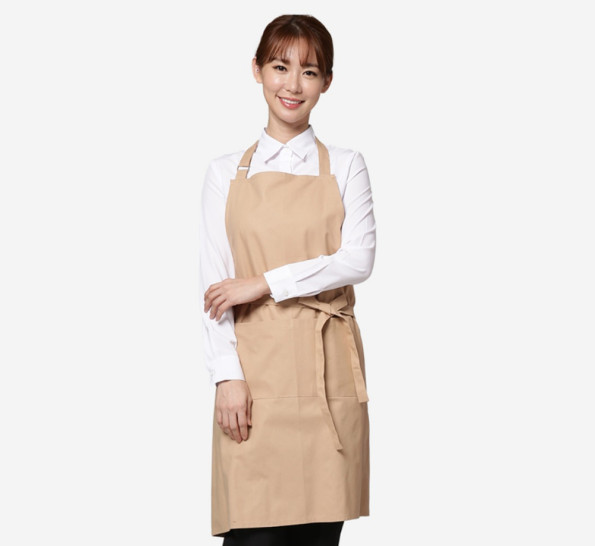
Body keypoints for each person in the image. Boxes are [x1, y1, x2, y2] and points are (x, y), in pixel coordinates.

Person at [199, 14, 376, 546]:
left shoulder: (346, 165)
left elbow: (359, 259)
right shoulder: (224, 173)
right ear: (257, 70)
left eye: (309, 71)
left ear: (327, 82)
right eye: (280, 67)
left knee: (318, 539)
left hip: (327, 379)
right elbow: (214, 285)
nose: (293, 85)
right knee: (252, 535)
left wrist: (264, 283)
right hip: (254, 380)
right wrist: (226, 377)